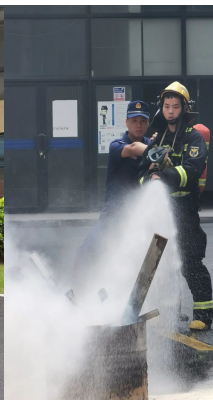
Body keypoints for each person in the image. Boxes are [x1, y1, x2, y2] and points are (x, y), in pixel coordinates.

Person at [138, 81, 212, 331]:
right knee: (160, 262)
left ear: (184, 109)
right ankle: (169, 313)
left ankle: (203, 314)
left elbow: (193, 169)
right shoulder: (157, 140)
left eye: (175, 106)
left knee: (190, 260)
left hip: (185, 207)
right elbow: (141, 173)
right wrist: (149, 178)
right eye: (167, 106)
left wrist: (164, 176)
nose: (170, 111)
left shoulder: (193, 138)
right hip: (161, 209)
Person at [72, 101, 153, 289]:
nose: (138, 125)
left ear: (148, 123)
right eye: (134, 120)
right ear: (126, 122)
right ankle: (76, 292)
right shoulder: (117, 145)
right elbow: (134, 149)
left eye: (143, 121)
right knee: (88, 251)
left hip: (140, 216)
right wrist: (157, 150)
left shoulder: (153, 144)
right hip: (114, 214)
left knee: (143, 257)